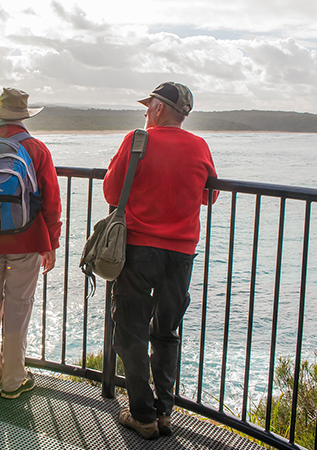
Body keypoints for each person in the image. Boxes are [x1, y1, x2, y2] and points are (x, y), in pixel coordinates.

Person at [103, 82, 218, 439]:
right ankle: (165, 411)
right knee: (166, 332)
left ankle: (143, 414)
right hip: (181, 253)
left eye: (149, 105)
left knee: (131, 332)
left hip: (138, 250)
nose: (145, 111)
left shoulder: (138, 140)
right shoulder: (200, 146)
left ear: (158, 109)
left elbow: (110, 190)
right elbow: (209, 196)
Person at [0, 87, 62, 399]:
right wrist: (51, 243)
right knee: (18, 309)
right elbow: (51, 202)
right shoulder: (36, 148)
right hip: (27, 240)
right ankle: (13, 381)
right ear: (23, 116)